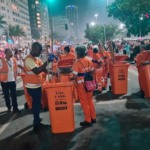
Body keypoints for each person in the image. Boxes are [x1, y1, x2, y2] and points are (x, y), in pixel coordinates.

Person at [24, 42, 56, 132]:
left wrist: (53, 73)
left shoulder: (36, 58)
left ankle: (37, 121)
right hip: (32, 87)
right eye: (38, 51)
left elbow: (43, 69)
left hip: (37, 85)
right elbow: (37, 71)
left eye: (40, 51)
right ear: (33, 49)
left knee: (37, 105)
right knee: (36, 105)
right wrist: (48, 61)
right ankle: (37, 124)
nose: (39, 52)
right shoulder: (29, 60)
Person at [71, 45, 96, 127]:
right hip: (89, 84)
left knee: (84, 103)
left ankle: (88, 120)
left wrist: (71, 78)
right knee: (90, 101)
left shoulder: (76, 63)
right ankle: (93, 118)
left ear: (77, 53)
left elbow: (74, 77)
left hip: (81, 86)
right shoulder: (89, 60)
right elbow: (92, 72)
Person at [0, 48, 20, 113]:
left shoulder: (13, 59)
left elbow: (18, 65)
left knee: (14, 95)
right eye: (10, 52)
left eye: (11, 52)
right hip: (4, 81)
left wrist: (24, 69)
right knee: (6, 95)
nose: (11, 53)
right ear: (6, 54)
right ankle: (9, 106)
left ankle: (15, 108)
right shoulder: (1, 61)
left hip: (12, 80)